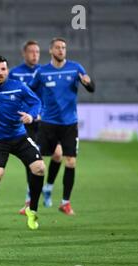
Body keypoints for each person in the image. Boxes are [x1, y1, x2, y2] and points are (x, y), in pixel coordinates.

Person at [0, 55, 45, 230]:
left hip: (19, 136)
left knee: (39, 168)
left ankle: (33, 209)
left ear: (7, 70)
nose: (0, 72)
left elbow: (36, 101)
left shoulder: (18, 87)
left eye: (3, 69)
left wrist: (31, 114)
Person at [29, 37, 95, 215]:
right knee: (38, 162)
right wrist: (36, 110)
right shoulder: (42, 72)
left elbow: (91, 88)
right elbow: (29, 92)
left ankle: (65, 202)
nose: (61, 50)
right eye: (58, 47)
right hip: (47, 124)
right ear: (51, 50)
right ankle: (31, 199)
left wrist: (88, 83)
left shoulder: (75, 68)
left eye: (63, 47)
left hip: (69, 124)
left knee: (71, 161)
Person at [9, 40, 63, 213]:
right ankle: (29, 199)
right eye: (31, 52)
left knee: (57, 154)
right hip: (26, 122)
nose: (35, 55)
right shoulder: (15, 73)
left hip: (45, 120)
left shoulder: (44, 72)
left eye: (37, 52)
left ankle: (48, 188)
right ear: (24, 53)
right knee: (32, 160)